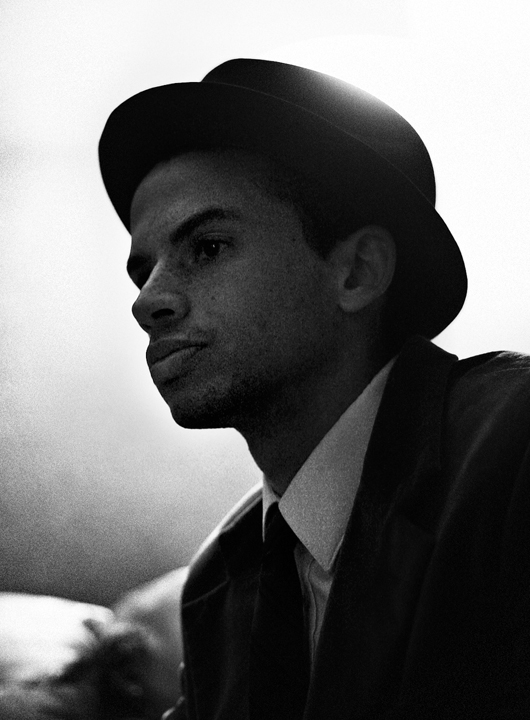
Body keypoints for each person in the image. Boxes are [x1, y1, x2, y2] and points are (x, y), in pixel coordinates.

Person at [98, 59, 530, 719]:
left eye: (208, 247)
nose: (146, 302)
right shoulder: (218, 583)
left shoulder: (513, 445)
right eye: (142, 272)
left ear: (356, 271)